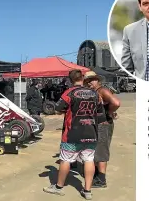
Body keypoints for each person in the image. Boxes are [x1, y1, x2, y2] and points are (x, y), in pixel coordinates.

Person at [43, 69, 103, 200]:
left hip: (72, 134)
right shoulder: (95, 93)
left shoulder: (69, 93)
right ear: (82, 78)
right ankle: (87, 191)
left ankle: (58, 187)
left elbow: (58, 109)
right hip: (91, 132)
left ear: (70, 80)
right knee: (88, 159)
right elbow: (100, 112)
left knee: (66, 159)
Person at [84, 71, 121, 188]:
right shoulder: (95, 92)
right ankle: (97, 174)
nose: (90, 82)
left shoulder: (102, 90)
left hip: (102, 125)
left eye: (92, 80)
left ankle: (101, 179)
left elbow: (116, 102)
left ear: (98, 80)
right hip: (97, 124)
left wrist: (109, 113)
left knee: (101, 150)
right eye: (87, 81)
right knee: (97, 149)